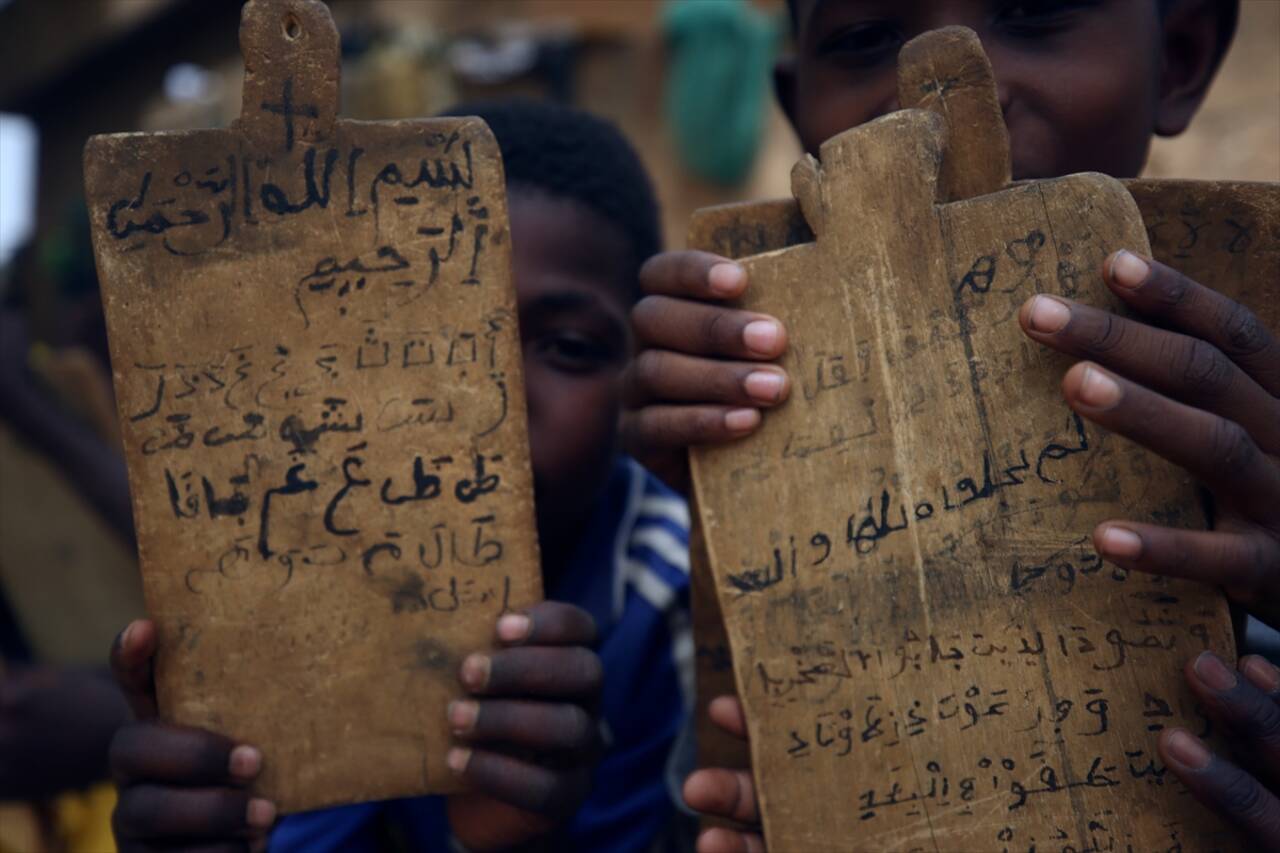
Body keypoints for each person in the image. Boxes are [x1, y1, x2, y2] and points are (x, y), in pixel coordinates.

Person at [618, 0, 1280, 848]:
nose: (946, 98)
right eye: (862, 40)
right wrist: (720, 525)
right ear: (795, 107)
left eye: (1035, 16)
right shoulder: (752, 367)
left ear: (1181, 57)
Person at [107, 99, 694, 853]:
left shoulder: (666, 594)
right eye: (431, 341)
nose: (490, 405)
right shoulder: (286, 568)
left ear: (635, 378)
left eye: (569, 347)